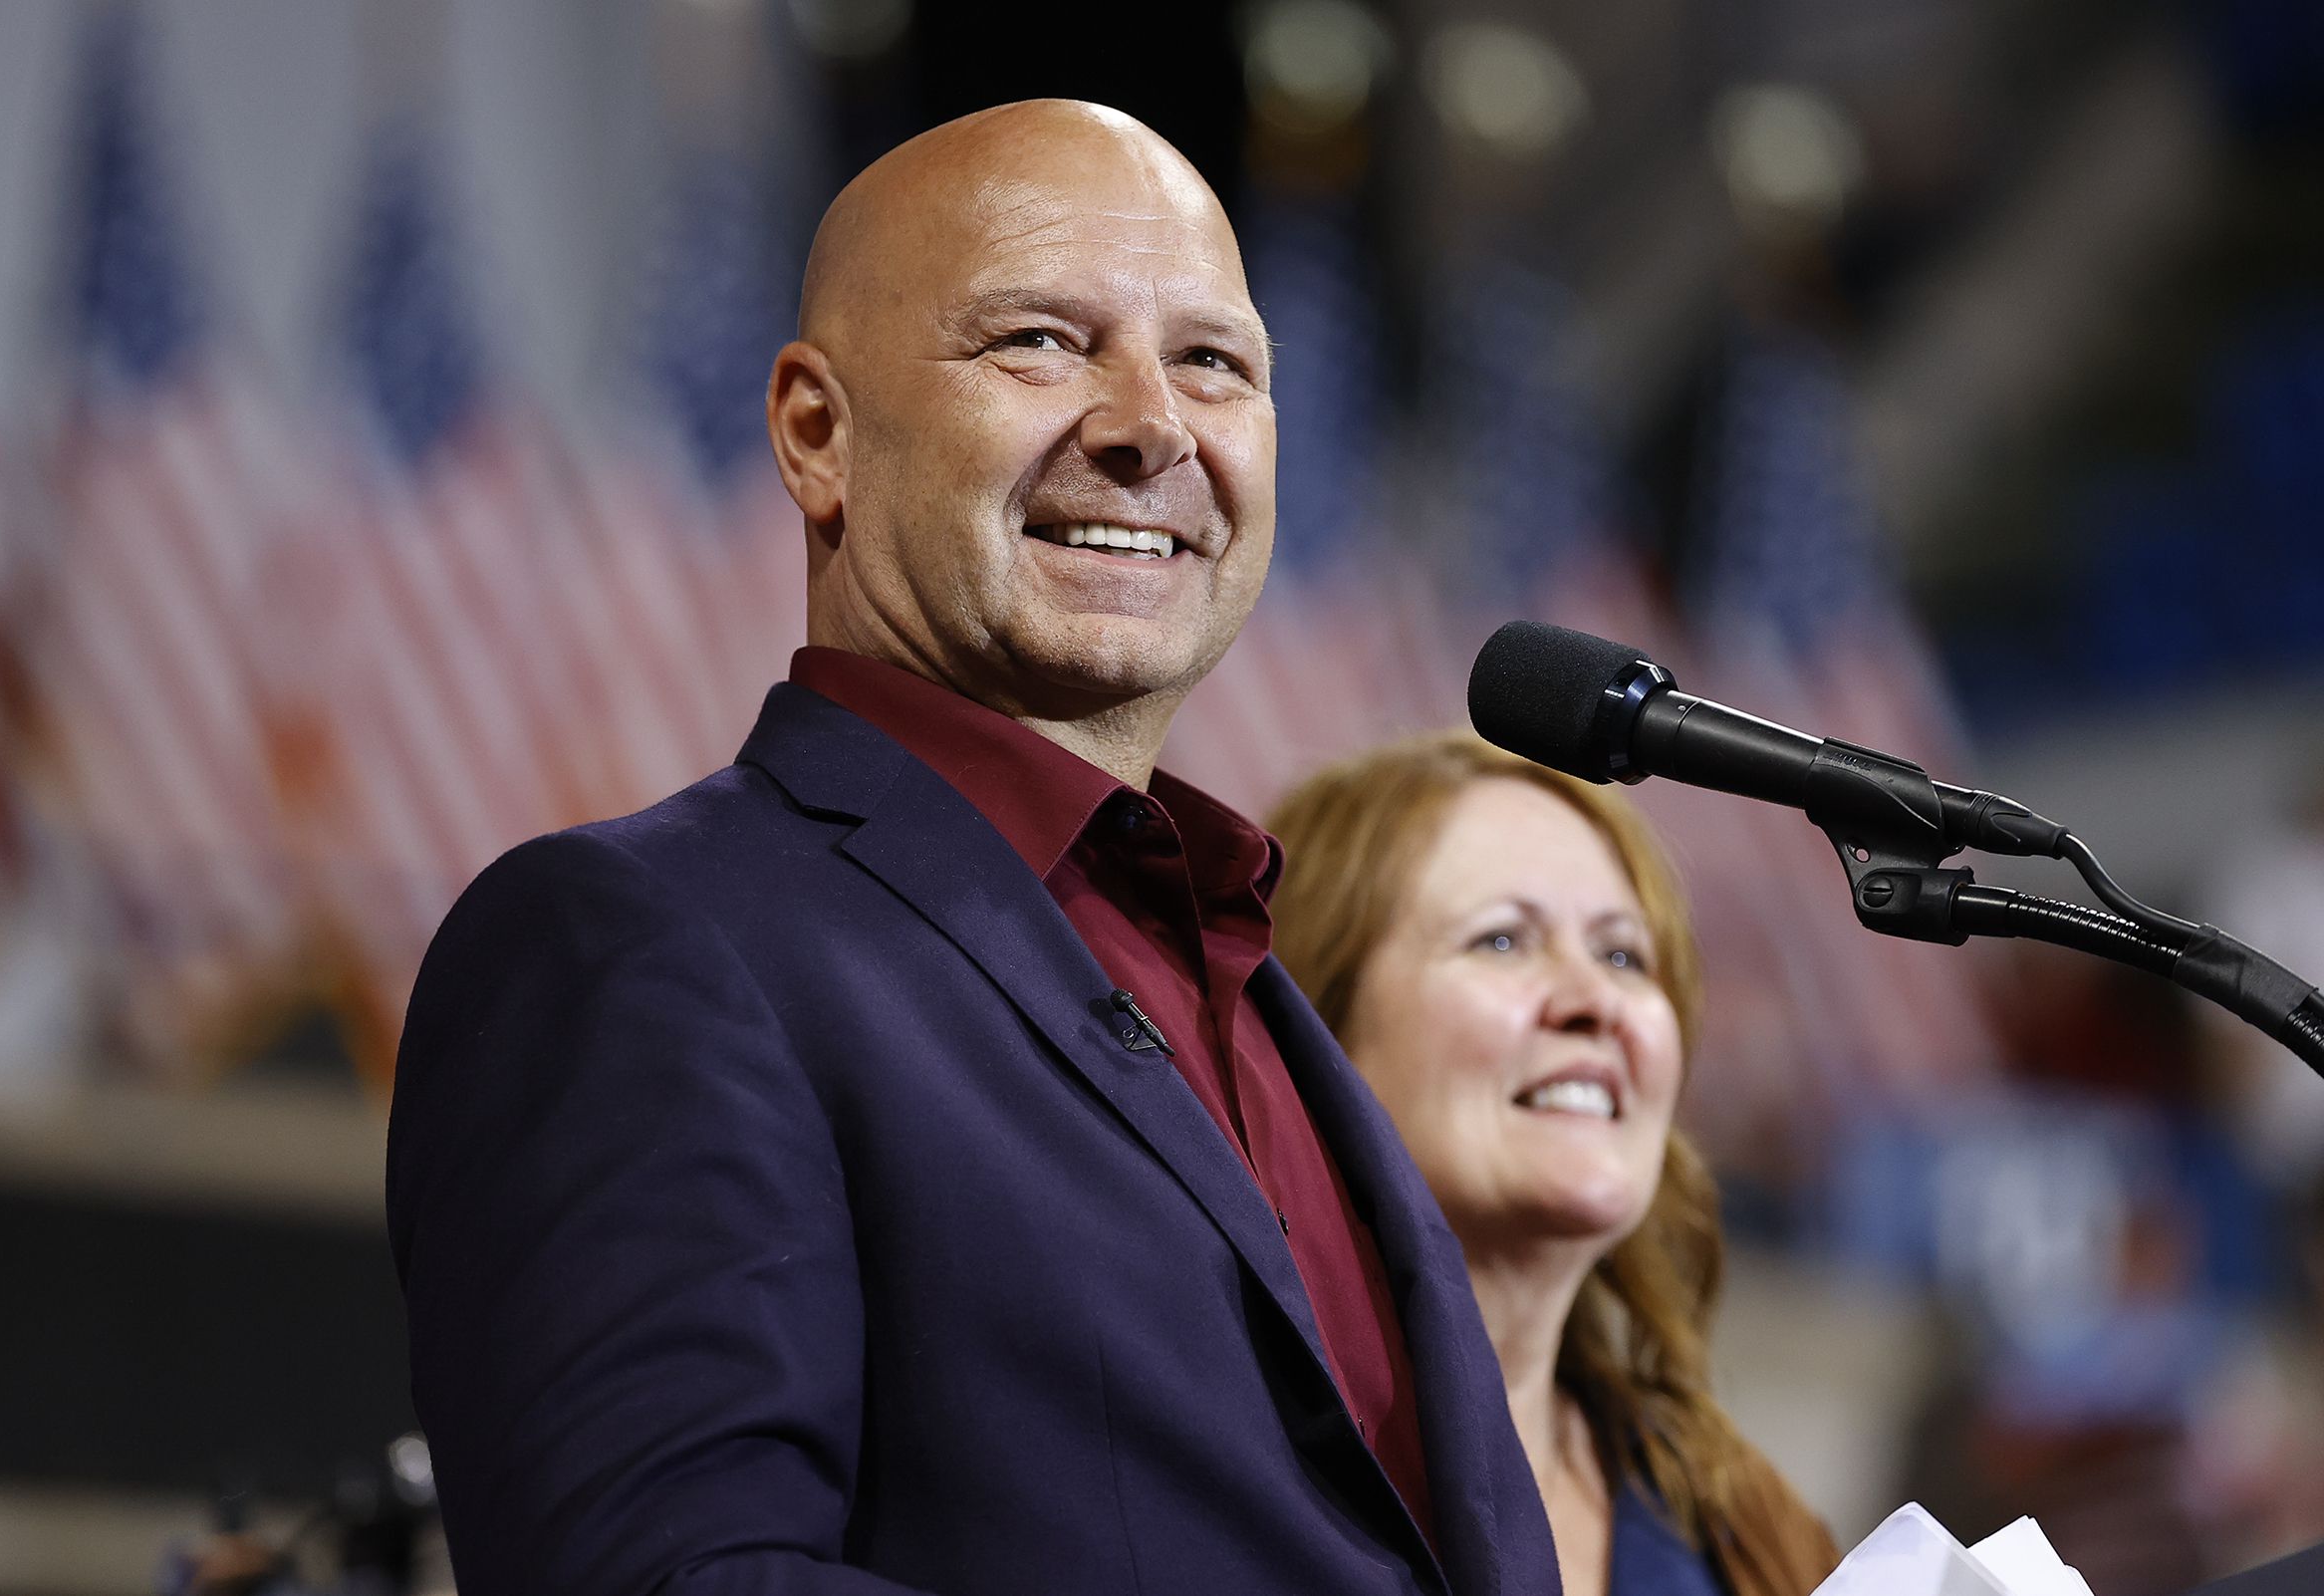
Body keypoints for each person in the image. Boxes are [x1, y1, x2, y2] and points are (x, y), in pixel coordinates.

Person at [386, 103, 1561, 1596]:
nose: (1152, 425)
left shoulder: (1256, 988)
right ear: (818, 433)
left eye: (1213, 362)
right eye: (1040, 342)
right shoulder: (637, 945)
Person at [1268, 730, 1842, 1596]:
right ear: (1316, 1034)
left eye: (1623, 954)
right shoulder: (1217, 1475)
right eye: (1502, 940)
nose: (1595, 1001)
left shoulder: (1748, 1530)